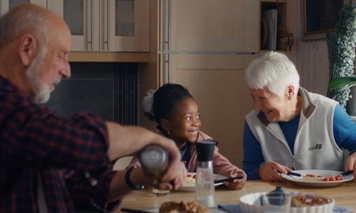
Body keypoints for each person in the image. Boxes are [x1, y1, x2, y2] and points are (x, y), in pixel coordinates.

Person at [0, 3, 187, 212]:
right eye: (61, 55)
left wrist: (137, 177)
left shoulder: (25, 122)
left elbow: (71, 187)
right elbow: (80, 142)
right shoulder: (7, 108)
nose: (66, 71)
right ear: (27, 48)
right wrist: (150, 139)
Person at [243, 51, 356, 181]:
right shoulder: (253, 121)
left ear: (289, 91)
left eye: (262, 98)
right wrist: (260, 171)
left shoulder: (329, 112)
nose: (256, 107)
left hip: (329, 197)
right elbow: (249, 172)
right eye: (253, 97)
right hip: (278, 197)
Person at [128, 83, 247, 190]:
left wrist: (236, 175)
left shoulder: (203, 143)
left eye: (198, 116)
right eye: (188, 118)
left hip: (196, 201)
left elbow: (221, 165)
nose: (197, 123)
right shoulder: (152, 148)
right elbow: (133, 172)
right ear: (166, 124)